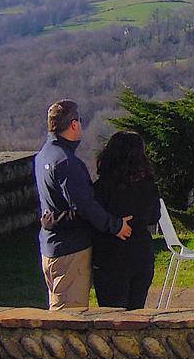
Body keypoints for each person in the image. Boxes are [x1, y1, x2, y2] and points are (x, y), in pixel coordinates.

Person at [34, 100, 132, 310]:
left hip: (51, 246)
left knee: (58, 307)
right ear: (73, 124)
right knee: (70, 317)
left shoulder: (44, 155)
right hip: (71, 250)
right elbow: (85, 205)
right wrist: (114, 225)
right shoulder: (67, 162)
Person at [91, 131, 161, 309]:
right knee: (136, 313)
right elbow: (154, 217)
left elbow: (92, 219)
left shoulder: (101, 188)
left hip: (111, 257)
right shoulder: (149, 185)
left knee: (111, 316)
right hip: (141, 254)